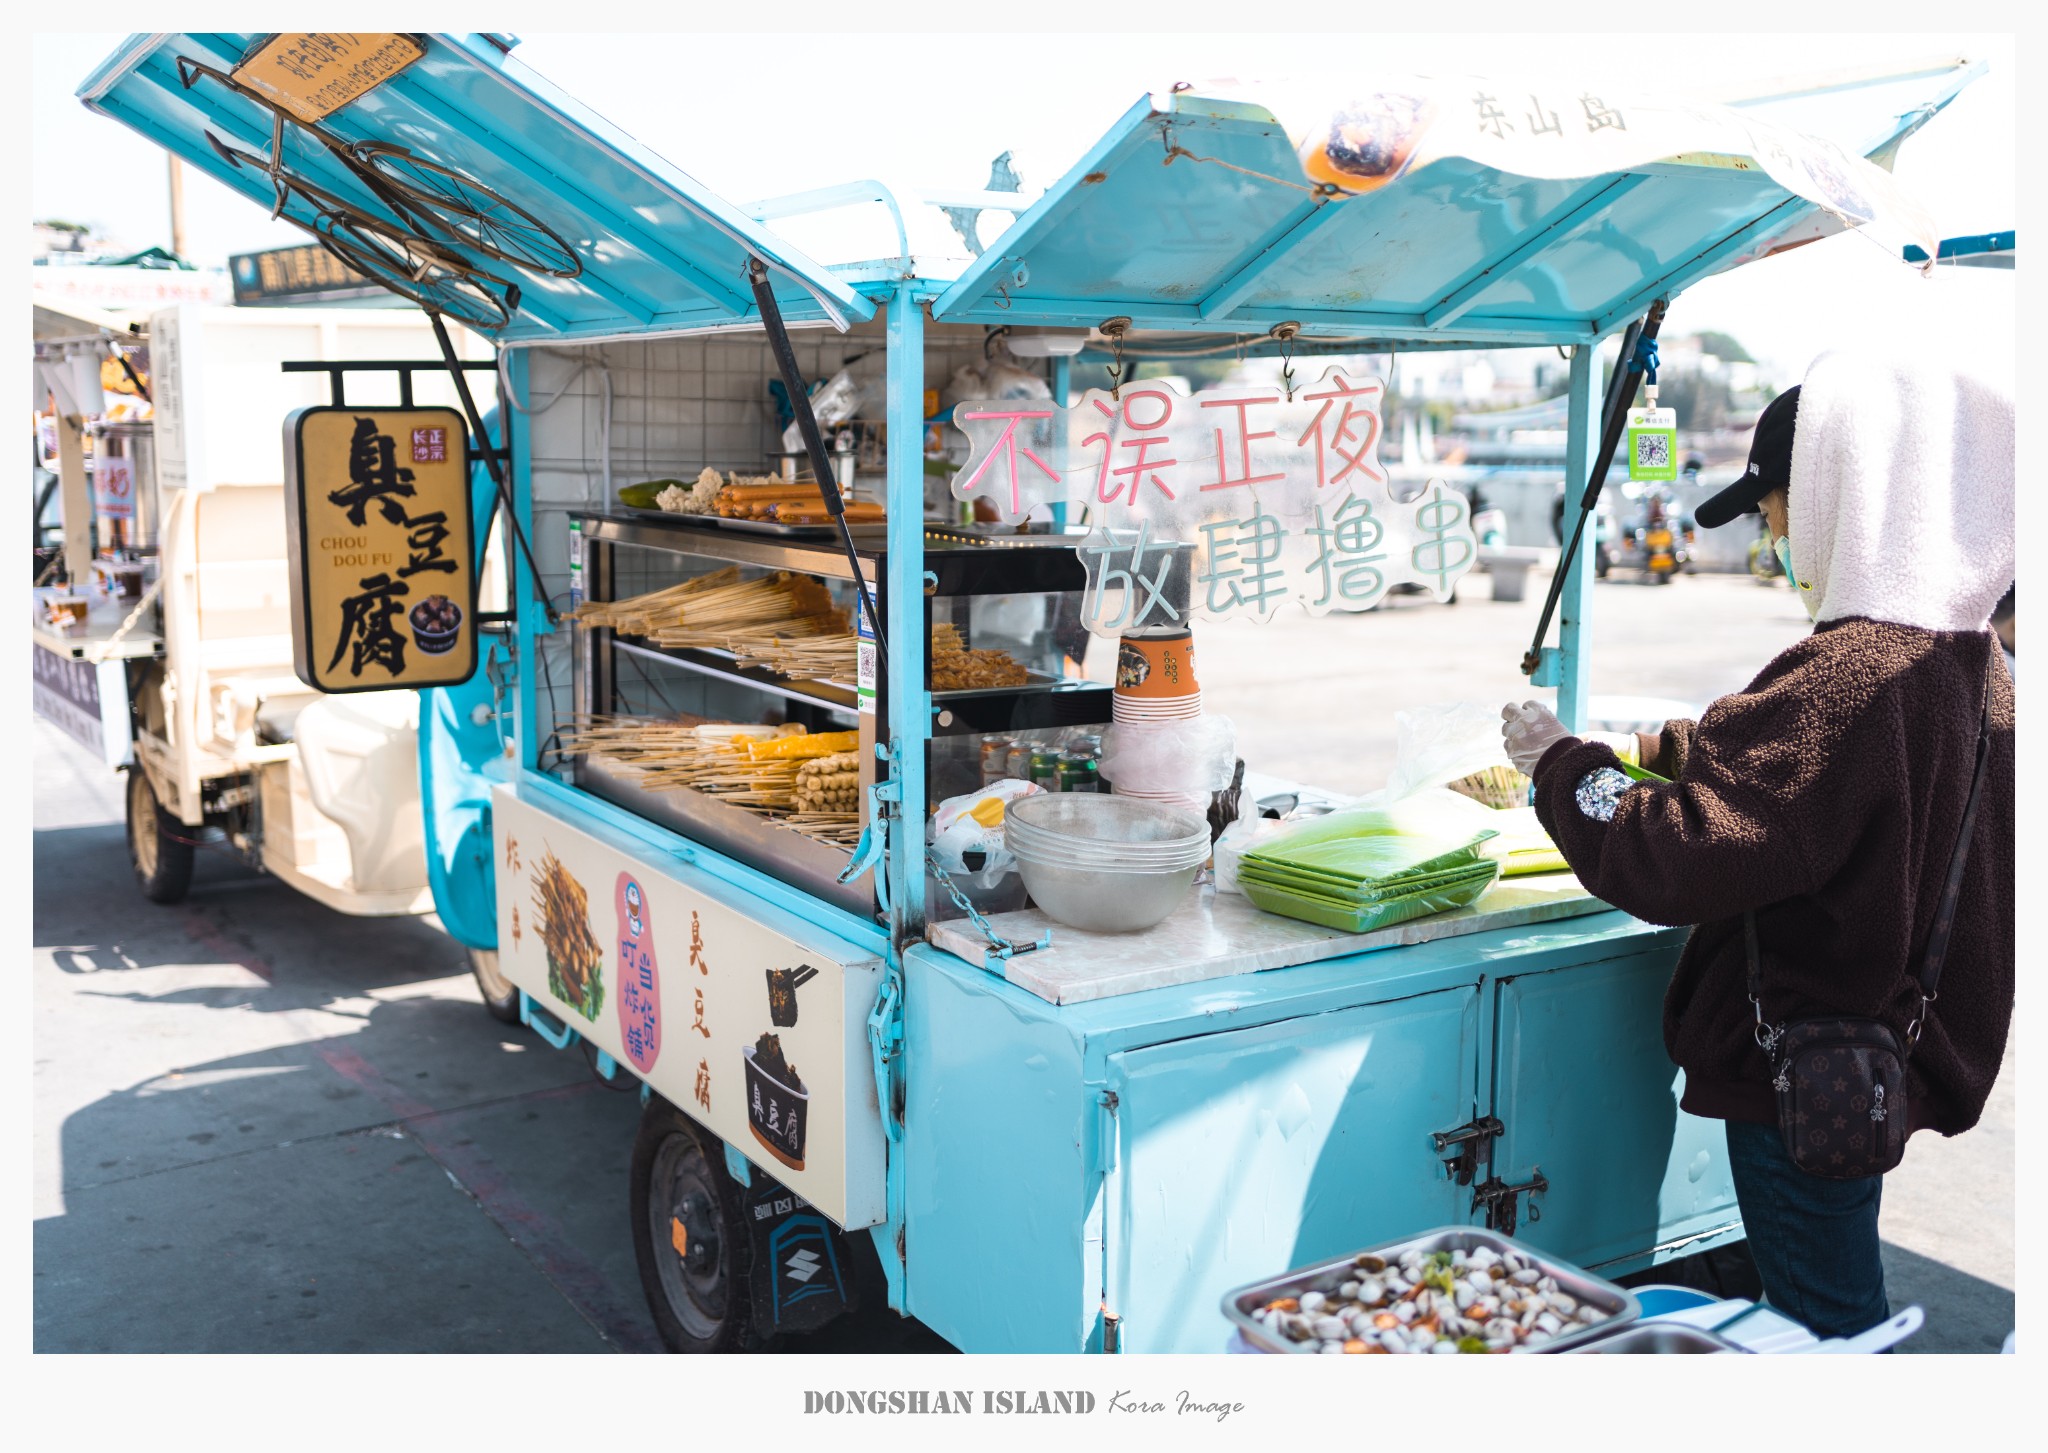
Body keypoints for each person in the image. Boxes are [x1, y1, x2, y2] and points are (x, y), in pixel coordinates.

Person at [1499, 352, 2014, 1340]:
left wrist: (1557, 764)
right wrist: (1663, 744)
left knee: (1823, 1322)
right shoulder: (1967, 658)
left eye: (1775, 508)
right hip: (1873, 1056)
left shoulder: (1854, 668)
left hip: (1802, 1067)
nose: (1773, 535)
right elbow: (1823, 788)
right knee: (1828, 1290)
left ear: (1841, 490)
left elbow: (1677, 854)